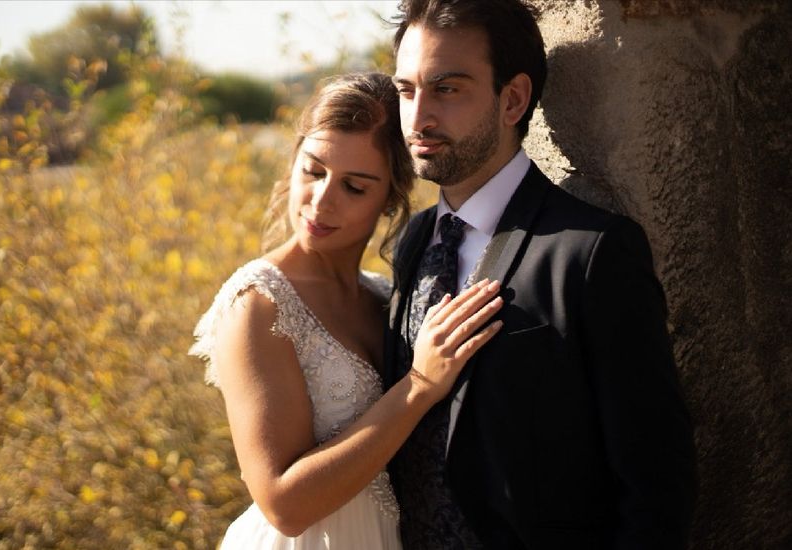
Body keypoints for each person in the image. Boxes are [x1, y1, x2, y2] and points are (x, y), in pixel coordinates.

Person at [382, 1, 698, 548]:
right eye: (407, 90)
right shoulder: (414, 239)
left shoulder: (593, 251)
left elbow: (656, 484)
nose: (418, 118)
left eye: (447, 89)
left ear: (513, 99)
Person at [190, 72, 505, 548]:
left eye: (354, 187)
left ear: (389, 201)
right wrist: (419, 387)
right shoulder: (258, 303)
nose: (321, 201)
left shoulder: (384, 297)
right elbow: (284, 506)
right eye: (313, 171)